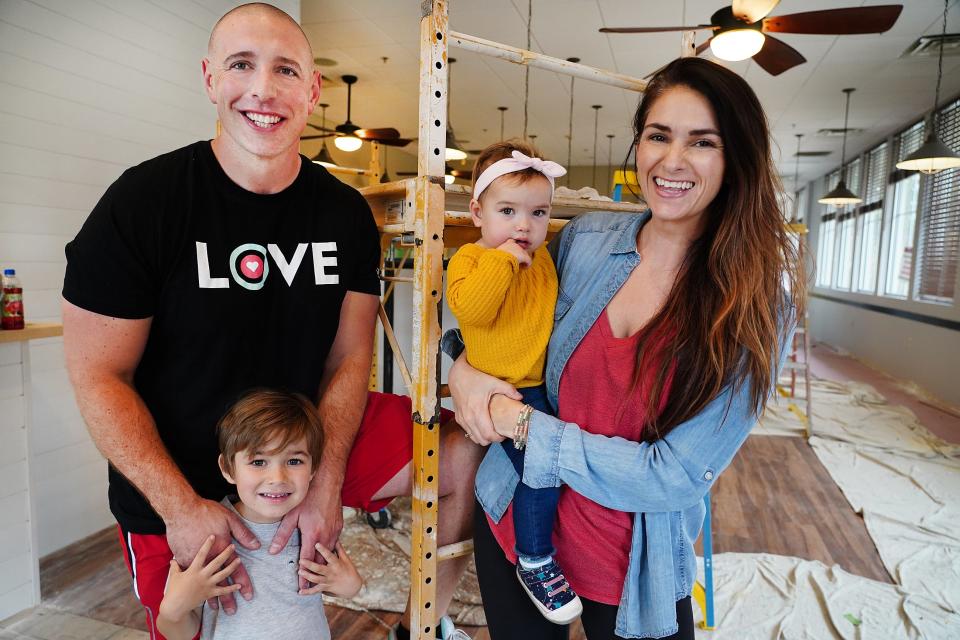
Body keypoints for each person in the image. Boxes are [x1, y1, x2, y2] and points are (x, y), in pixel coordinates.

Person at [61, 4, 481, 639]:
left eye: (285, 69)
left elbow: (349, 358)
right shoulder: (141, 204)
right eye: (240, 65)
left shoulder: (343, 216)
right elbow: (98, 376)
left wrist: (327, 479)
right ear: (209, 78)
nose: (262, 89)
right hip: (184, 471)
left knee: (466, 455)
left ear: (312, 90)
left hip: (304, 446)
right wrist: (178, 507)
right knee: (188, 626)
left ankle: (426, 627)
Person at [449, 56, 804, 640]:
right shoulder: (584, 242)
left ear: (737, 158)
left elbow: (674, 475)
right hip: (516, 521)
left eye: (702, 142)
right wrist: (463, 371)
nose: (672, 160)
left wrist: (522, 426)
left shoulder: (756, 308)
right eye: (658, 135)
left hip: (631, 569)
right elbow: (504, 330)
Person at [445, 140, 582, 624]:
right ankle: (534, 558)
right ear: (478, 213)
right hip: (503, 387)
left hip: (539, 382)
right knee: (541, 467)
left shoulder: (542, 257)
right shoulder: (470, 259)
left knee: (556, 470)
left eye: (538, 213)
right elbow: (476, 309)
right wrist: (503, 259)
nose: (524, 226)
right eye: (508, 211)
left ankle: (546, 547)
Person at [157, 389, 362, 639]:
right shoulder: (208, 537)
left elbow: (340, 587)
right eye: (258, 462)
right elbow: (179, 633)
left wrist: (350, 586)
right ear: (228, 468)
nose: (277, 478)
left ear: (313, 468)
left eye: (294, 461)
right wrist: (173, 610)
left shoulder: (312, 527)